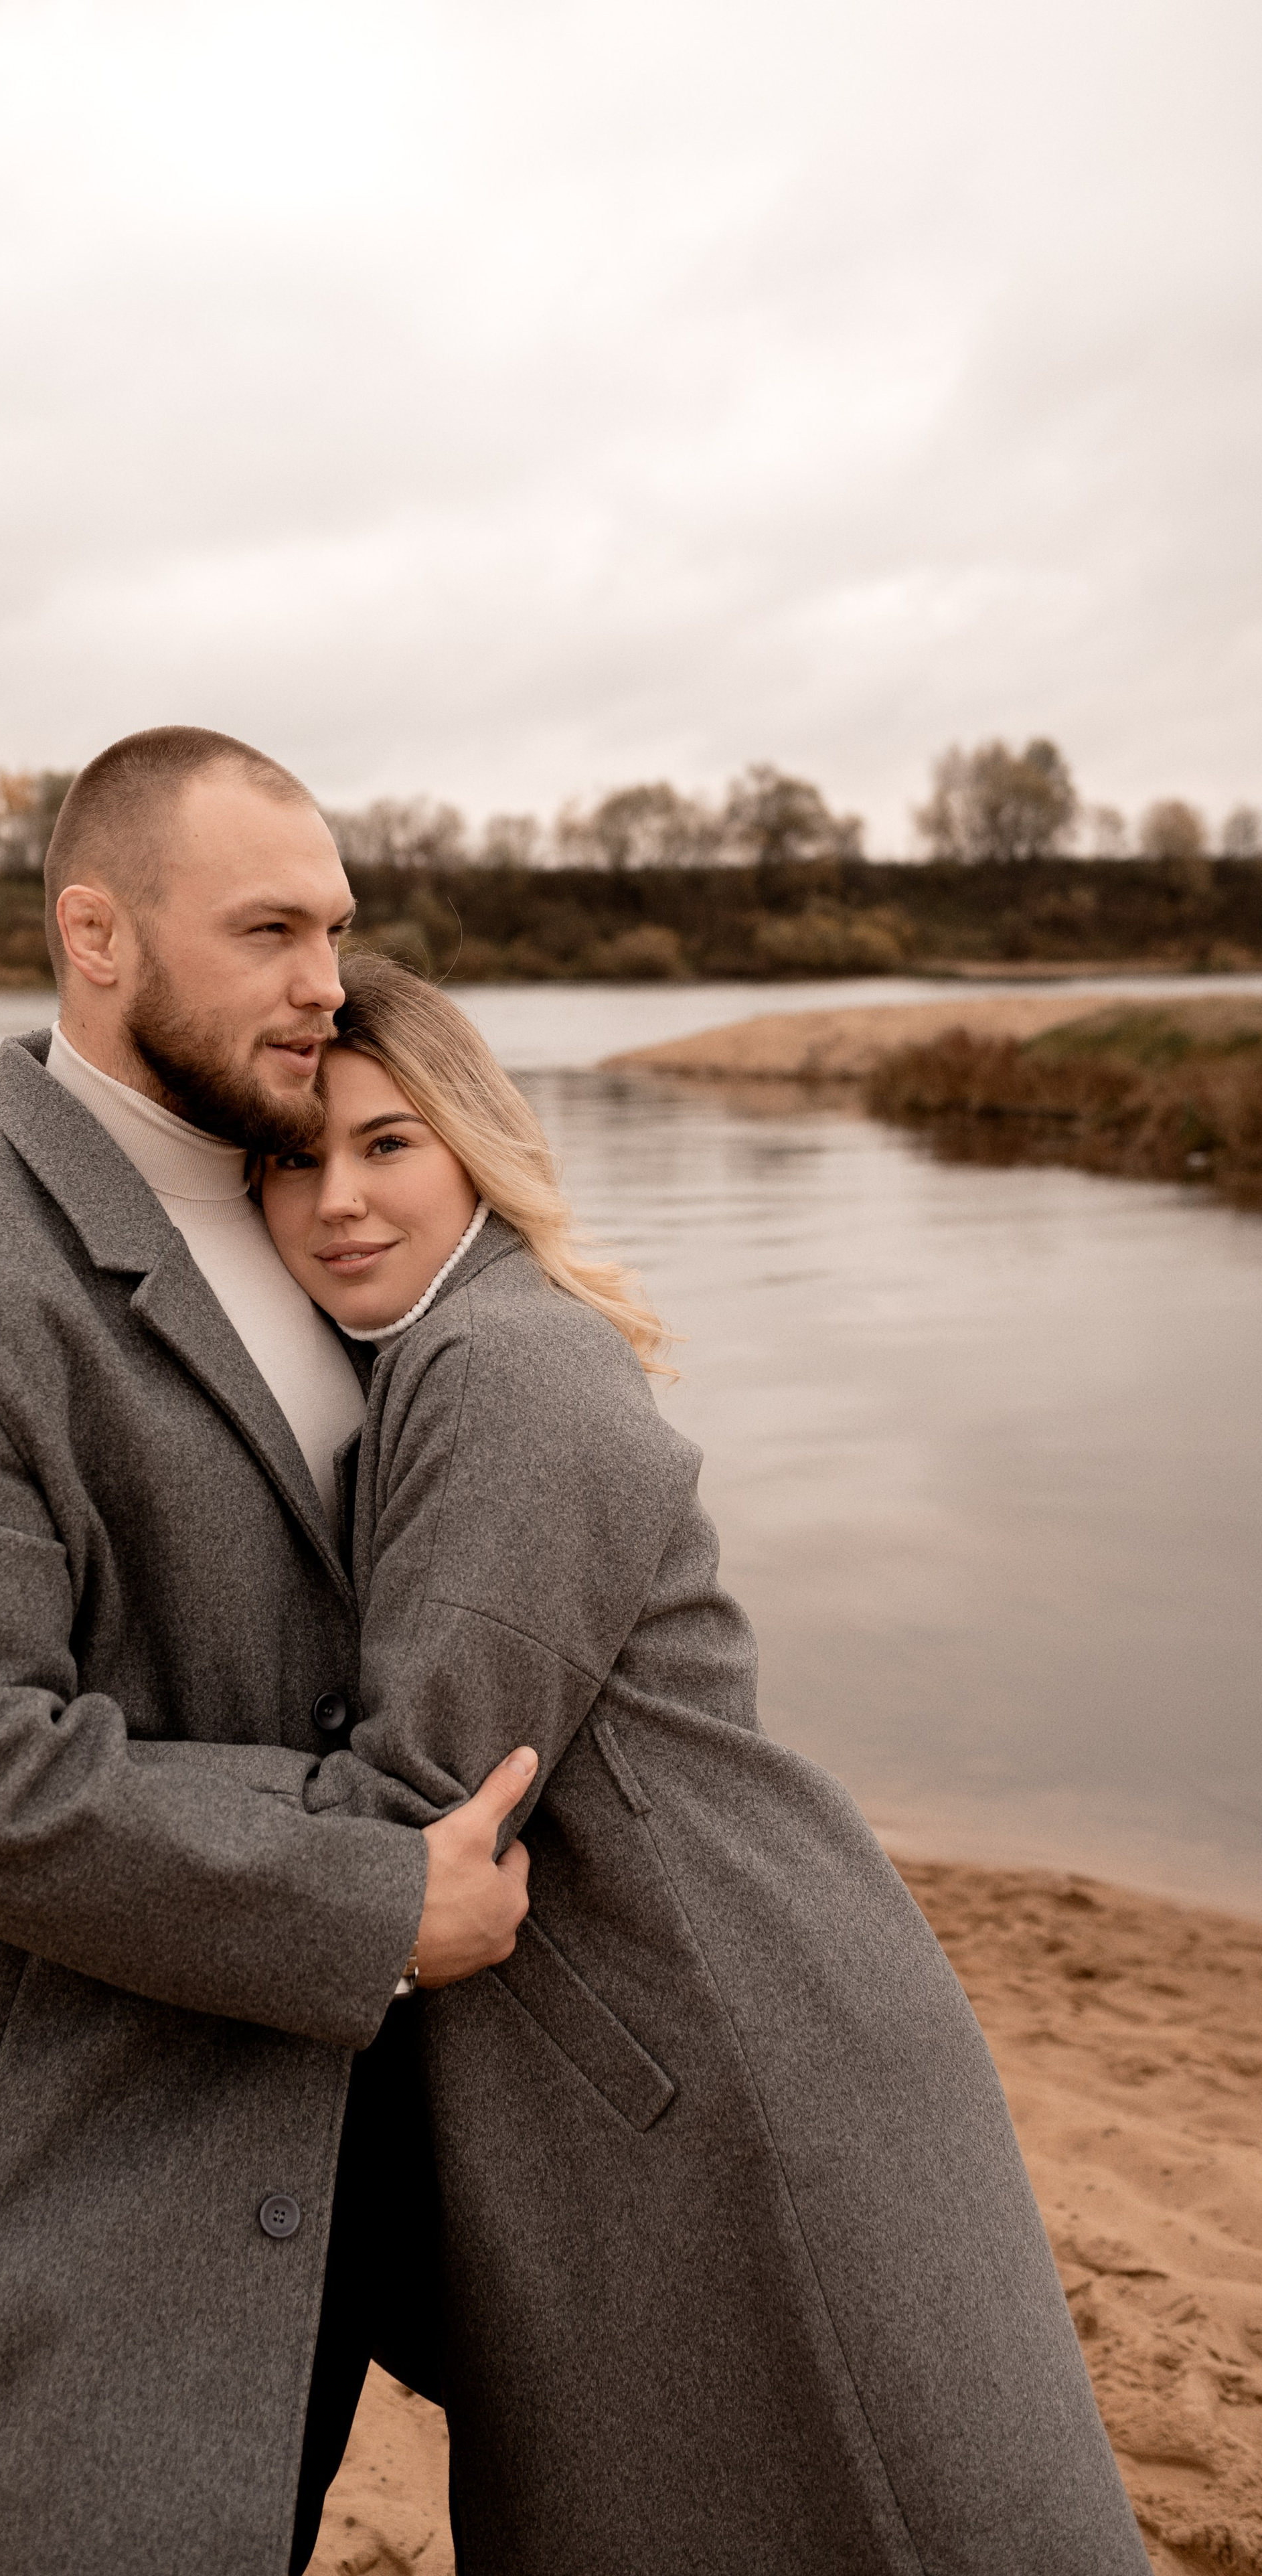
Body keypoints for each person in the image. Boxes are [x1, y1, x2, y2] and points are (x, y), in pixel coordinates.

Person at [257, 952, 1154, 2576]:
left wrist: (91, 1843)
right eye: (291, 1156)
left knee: (864, 2506)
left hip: (730, 2035)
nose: (337, 1199)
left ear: (471, 1140)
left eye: (385, 1143)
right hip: (683, 2015)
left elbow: (434, 1782)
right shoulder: (429, 1357)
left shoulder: (505, 1364)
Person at [0, 729, 537, 2576]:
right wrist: (365, 1891)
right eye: (268, 928)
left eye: (338, 927)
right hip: (95, 2164)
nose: (322, 981)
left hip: (390, 2130)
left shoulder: (337, 1204)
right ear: (95, 937)